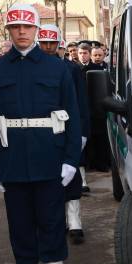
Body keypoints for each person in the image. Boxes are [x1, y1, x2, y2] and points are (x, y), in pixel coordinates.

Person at [0, 5, 82, 264]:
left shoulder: (57, 68)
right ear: (8, 31)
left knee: (51, 223)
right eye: (15, 27)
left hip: (49, 157)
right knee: (20, 225)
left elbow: (73, 116)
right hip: (11, 160)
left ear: (37, 29)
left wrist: (70, 159)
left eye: (27, 26)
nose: (21, 31)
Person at [38, 25, 90, 245]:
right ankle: (54, 222)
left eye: (52, 43)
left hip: (67, 130)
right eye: (44, 43)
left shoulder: (71, 69)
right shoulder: (30, 68)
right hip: (41, 133)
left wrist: (82, 132)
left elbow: (80, 103)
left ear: (59, 43)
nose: (48, 47)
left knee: (72, 177)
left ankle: (75, 221)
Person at [85, 44, 111, 172]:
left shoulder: (109, 68)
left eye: (100, 55)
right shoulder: (86, 70)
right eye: (95, 55)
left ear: (104, 55)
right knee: (95, 139)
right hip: (92, 110)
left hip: (107, 108)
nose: (97, 57)